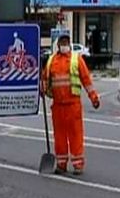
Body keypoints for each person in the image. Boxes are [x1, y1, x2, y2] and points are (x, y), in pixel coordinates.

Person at [41, 34, 100, 175]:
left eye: (66, 42)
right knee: (59, 137)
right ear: (58, 45)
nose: (64, 45)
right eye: (62, 42)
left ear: (69, 44)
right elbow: (45, 78)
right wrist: (42, 89)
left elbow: (86, 80)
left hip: (73, 105)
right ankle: (61, 164)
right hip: (58, 105)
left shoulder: (76, 59)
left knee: (75, 135)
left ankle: (78, 164)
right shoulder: (51, 61)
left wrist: (94, 97)